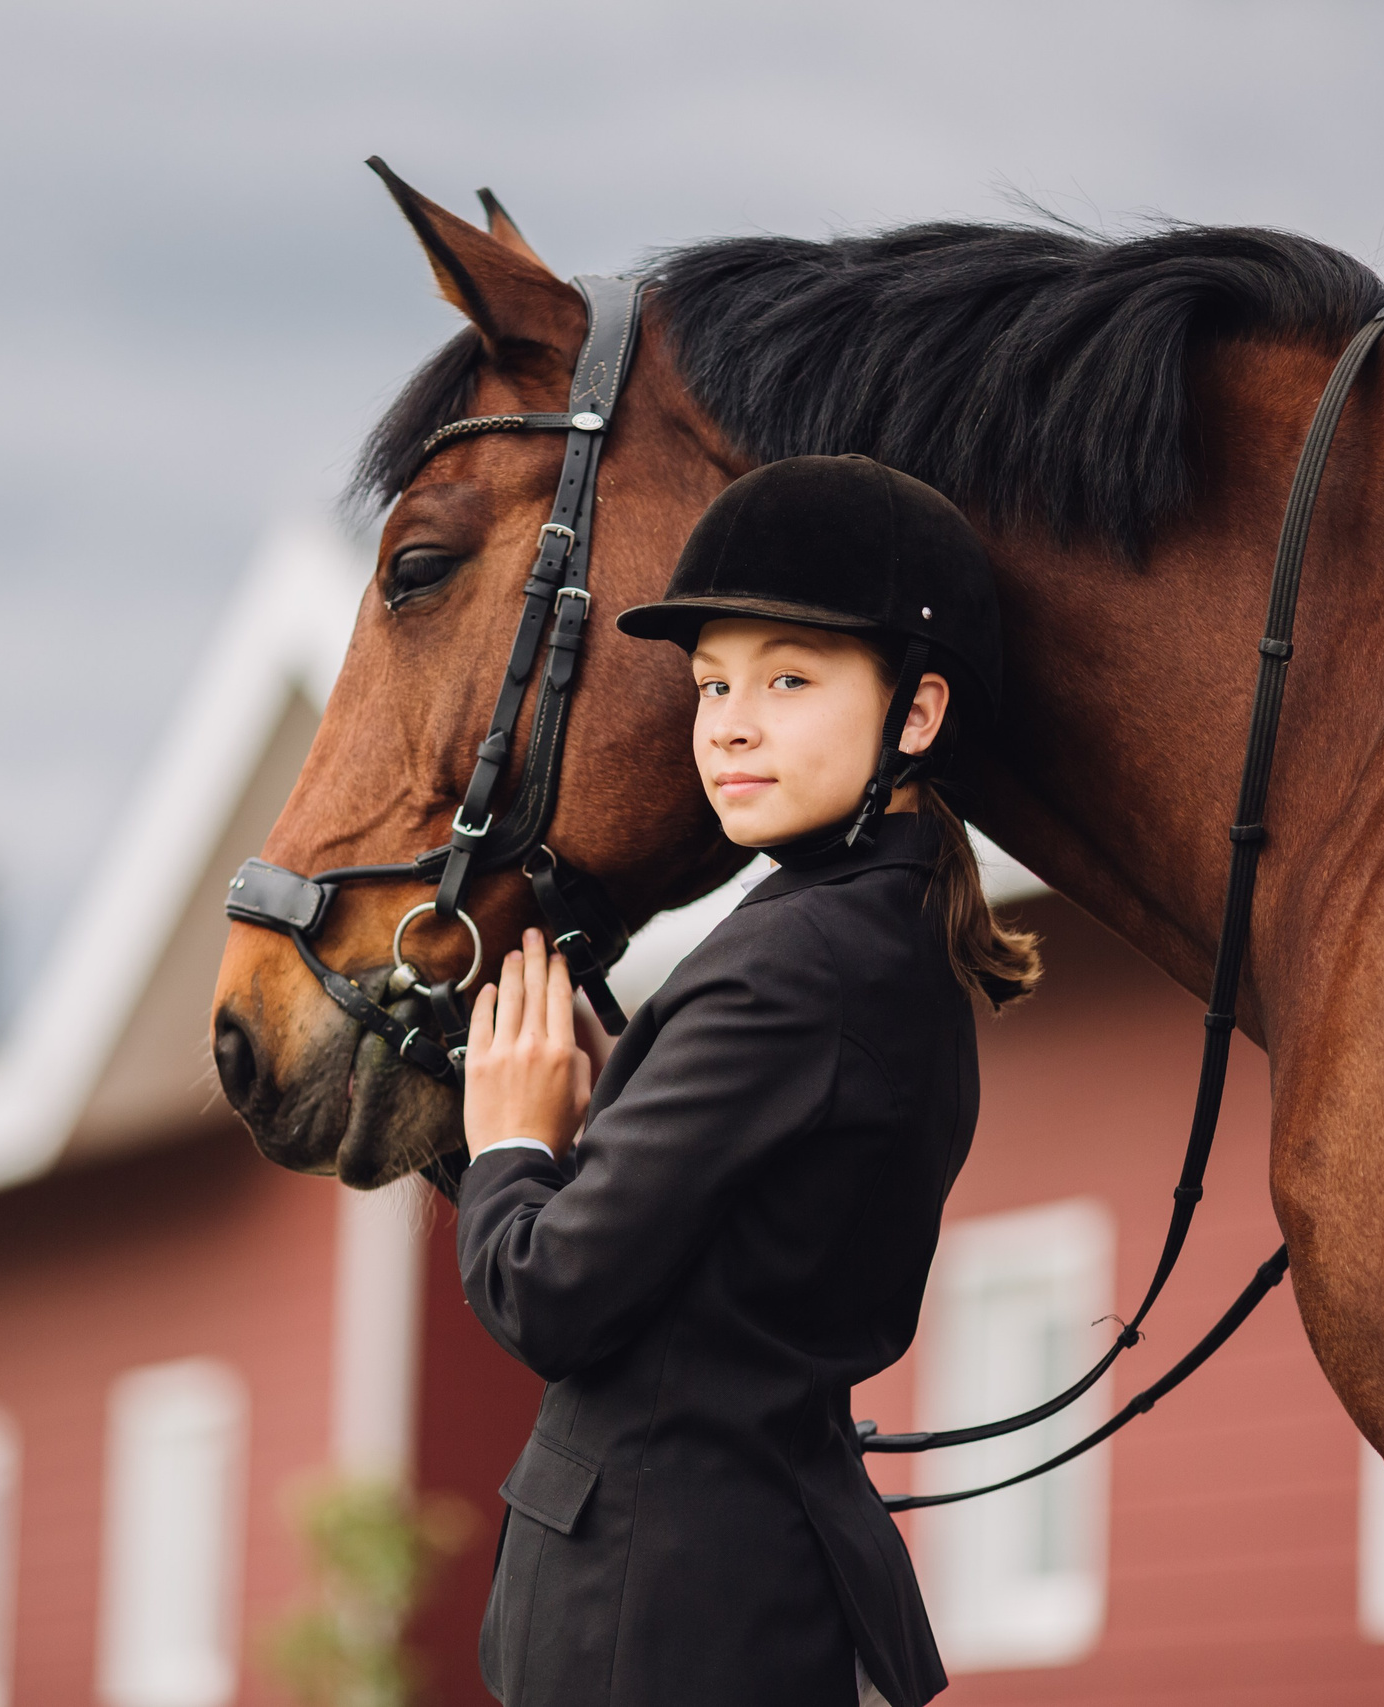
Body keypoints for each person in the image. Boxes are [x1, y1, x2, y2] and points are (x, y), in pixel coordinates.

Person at [455, 454, 1041, 1707]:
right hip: (743, 1590)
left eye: (788, 678)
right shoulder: (882, 932)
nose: (726, 722)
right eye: (712, 684)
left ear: (916, 714)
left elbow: (548, 1296)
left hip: (666, 1619)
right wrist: (618, 1118)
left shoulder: (792, 963)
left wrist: (511, 1144)